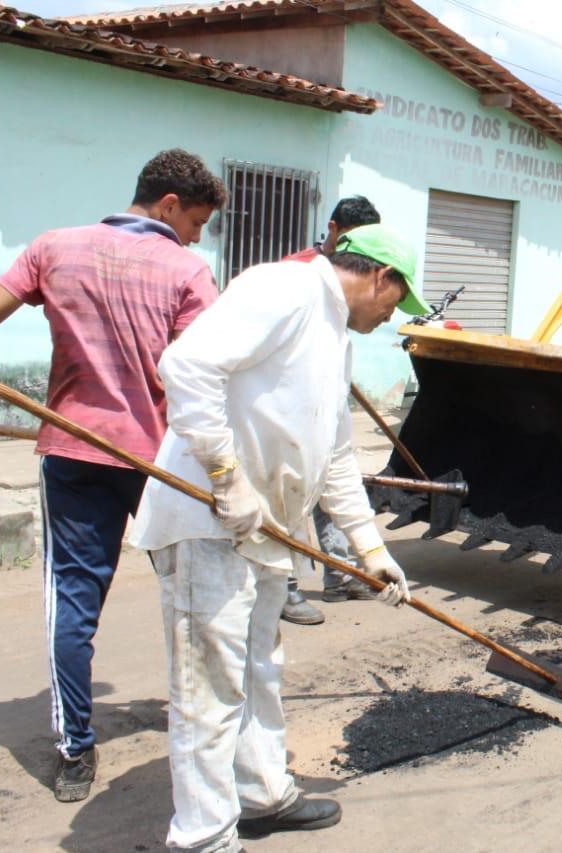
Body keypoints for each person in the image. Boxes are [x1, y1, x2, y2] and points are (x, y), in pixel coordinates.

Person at [128, 224, 424, 850]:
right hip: (208, 521)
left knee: (259, 667)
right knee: (207, 687)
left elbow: (335, 453)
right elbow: (186, 366)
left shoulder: (335, 332)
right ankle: (204, 837)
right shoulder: (285, 290)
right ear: (378, 276)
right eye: (395, 302)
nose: (390, 316)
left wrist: (372, 549)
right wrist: (225, 475)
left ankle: (261, 794)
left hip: (265, 531)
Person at [0, 149, 226, 803]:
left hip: (71, 451)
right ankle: (208, 730)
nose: (197, 237)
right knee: (191, 599)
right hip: (160, 462)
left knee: (72, 605)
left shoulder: (53, 246)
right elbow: (201, 374)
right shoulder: (188, 271)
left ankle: (75, 753)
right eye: (196, 221)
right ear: (169, 204)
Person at [278, 195, 391, 626]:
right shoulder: (295, 275)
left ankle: (340, 574)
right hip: (289, 407)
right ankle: (285, 586)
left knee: (332, 474)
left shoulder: (350, 284)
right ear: (332, 229)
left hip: (326, 391)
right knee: (292, 484)